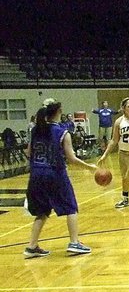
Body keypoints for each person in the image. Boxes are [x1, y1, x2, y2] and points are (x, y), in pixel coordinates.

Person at [23, 99, 96, 258]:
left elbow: (28, 153)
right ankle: (74, 243)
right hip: (54, 173)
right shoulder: (63, 132)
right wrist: (90, 167)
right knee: (71, 207)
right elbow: (72, 158)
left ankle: (31, 246)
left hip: (36, 174)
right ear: (59, 112)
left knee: (42, 211)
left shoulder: (35, 130)